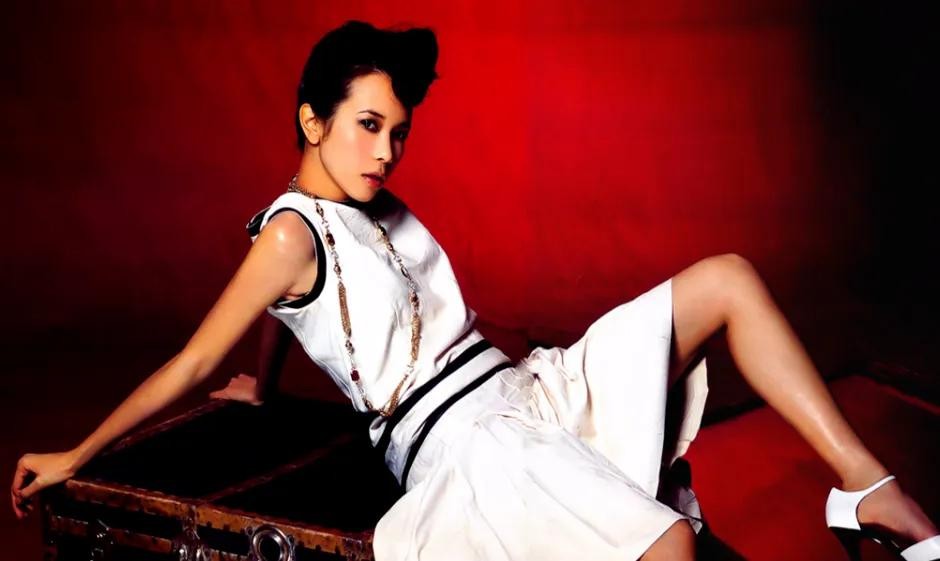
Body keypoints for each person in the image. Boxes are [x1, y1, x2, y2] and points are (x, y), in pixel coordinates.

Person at [11, 20, 940, 561]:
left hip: (529, 385)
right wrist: (79, 453)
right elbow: (197, 354)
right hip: (472, 442)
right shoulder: (290, 232)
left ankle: (862, 486)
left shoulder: (366, 206)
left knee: (726, 279)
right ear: (311, 119)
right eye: (368, 125)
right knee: (667, 544)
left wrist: (265, 381)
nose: (386, 150)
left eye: (398, 132)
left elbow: (293, 314)